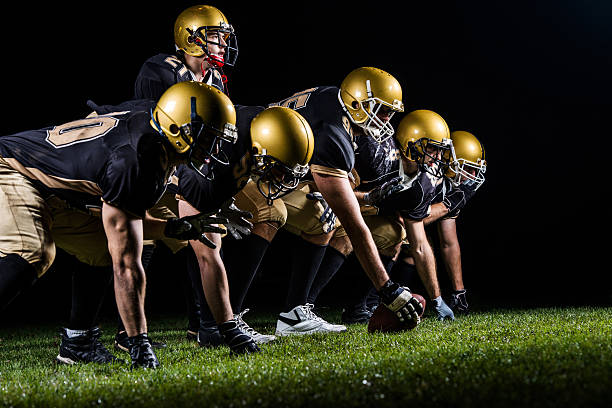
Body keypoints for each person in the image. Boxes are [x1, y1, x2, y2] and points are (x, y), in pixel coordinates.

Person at [0, 81, 251, 368]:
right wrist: (138, 343)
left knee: (100, 248)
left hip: (53, 189)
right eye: (208, 138)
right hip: (10, 168)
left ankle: (78, 341)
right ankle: (87, 340)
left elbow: (127, 219)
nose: (213, 149)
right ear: (177, 129)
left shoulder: (154, 133)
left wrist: (174, 227)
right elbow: (127, 265)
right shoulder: (135, 160)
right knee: (31, 251)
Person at [262, 67, 423, 335]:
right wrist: (388, 288)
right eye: (382, 110)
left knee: (329, 217)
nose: (386, 120)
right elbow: (353, 220)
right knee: (326, 216)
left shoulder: (333, 101)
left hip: (275, 169)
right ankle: (268, 313)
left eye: (390, 113)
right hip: (257, 173)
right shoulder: (335, 129)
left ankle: (298, 309)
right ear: (358, 101)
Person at [174, 105, 315, 346]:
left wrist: (226, 203)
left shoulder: (260, 129)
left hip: (199, 172)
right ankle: (212, 326)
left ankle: (212, 324)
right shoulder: (219, 151)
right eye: (280, 169)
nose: (282, 179)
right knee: (207, 241)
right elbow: (195, 189)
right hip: (173, 178)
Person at [307, 110, 458, 323]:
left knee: (395, 233)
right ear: (409, 143)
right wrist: (367, 197)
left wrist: (437, 299)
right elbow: (333, 185)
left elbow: (420, 244)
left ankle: (359, 307)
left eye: (441, 150)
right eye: (432, 148)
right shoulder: (374, 151)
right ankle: (303, 303)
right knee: (346, 231)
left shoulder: (423, 183)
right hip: (329, 200)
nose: (438, 157)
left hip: (362, 210)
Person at [391, 130, 486, 315]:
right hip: (387, 218)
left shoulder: (451, 187)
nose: (473, 175)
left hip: (406, 224)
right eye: (468, 168)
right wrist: (447, 205)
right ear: (451, 161)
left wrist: (459, 292)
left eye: (476, 169)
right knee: (404, 238)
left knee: (422, 244)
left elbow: (449, 244)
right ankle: (375, 300)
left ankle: (398, 297)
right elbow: (410, 217)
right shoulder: (428, 175)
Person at [134, 4, 237, 99]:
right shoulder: (161, 71)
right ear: (190, 40)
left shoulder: (215, 79)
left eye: (224, 37)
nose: (224, 44)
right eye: (215, 36)